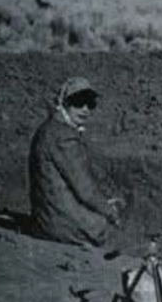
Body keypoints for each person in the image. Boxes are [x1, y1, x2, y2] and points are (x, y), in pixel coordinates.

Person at [29, 77, 122, 246]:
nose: (85, 109)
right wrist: (110, 211)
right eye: (79, 102)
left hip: (46, 217)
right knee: (109, 229)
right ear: (64, 103)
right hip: (58, 223)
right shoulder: (63, 137)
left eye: (90, 103)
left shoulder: (49, 128)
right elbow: (84, 190)